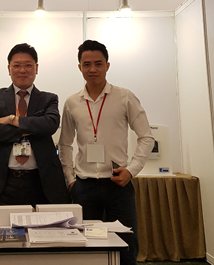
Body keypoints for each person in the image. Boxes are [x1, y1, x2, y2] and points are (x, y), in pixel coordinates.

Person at [59, 40, 155, 265]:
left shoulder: (125, 97)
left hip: (118, 184)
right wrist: (70, 180)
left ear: (107, 66)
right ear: (80, 67)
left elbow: (146, 137)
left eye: (98, 63)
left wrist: (131, 170)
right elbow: (65, 144)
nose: (92, 69)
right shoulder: (72, 102)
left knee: (126, 246)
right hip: (84, 186)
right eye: (87, 64)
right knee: (86, 248)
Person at [0, 43, 70, 207]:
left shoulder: (48, 99)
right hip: (2, 182)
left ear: (36, 68)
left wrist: (12, 120)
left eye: (28, 65)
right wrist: (32, 127)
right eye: (17, 66)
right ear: (9, 69)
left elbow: (49, 125)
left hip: (40, 182)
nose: (22, 70)